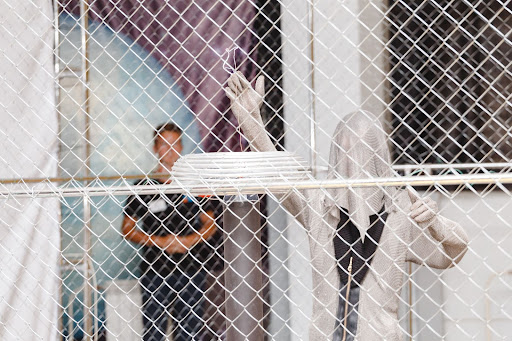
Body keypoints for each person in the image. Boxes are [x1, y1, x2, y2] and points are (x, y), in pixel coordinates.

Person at [224, 72, 469, 341]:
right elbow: (277, 171)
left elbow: (452, 252)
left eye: (364, 150)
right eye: (345, 150)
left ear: (379, 155)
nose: (354, 162)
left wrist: (436, 223)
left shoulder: (400, 213)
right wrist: (249, 119)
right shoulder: (318, 205)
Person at [121, 123, 217, 341]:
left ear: (182, 147)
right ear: (155, 148)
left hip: (191, 269)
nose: (170, 149)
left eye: (175, 144)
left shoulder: (194, 184)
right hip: (154, 270)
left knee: (190, 333)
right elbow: (127, 228)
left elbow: (210, 224)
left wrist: (187, 241)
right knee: (153, 333)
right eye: (164, 144)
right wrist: (160, 241)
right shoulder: (143, 186)